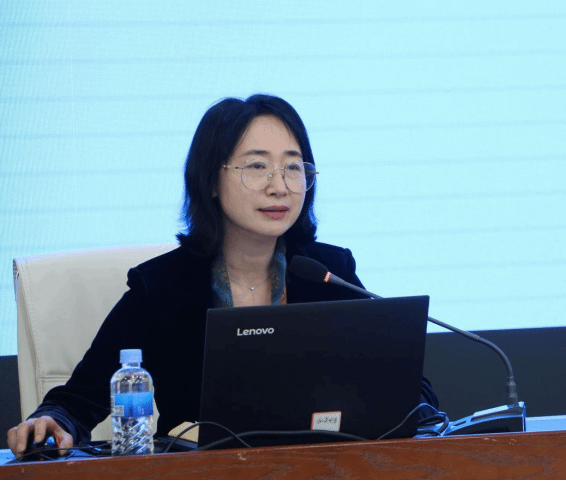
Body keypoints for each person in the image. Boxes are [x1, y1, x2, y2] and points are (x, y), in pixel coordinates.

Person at [7, 94, 440, 457]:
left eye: (293, 167)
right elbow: (78, 398)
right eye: (256, 167)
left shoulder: (328, 272)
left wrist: (403, 407)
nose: (279, 186)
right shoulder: (163, 286)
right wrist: (53, 420)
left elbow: (410, 391)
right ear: (211, 181)